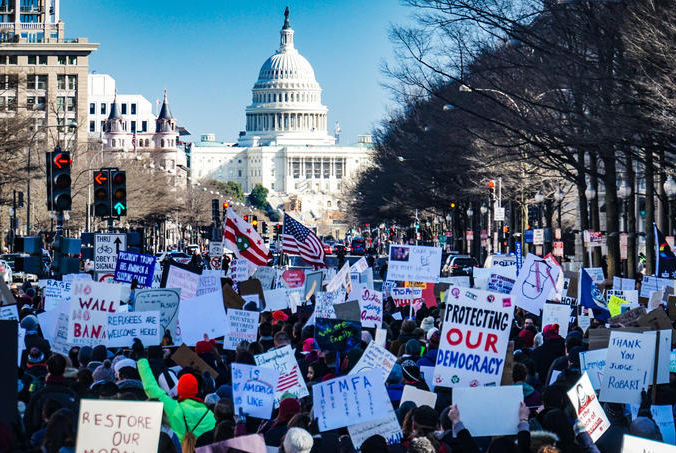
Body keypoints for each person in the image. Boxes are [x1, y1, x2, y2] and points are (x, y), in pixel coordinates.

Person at [133, 339, 216, 446]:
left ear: (179, 388)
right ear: (196, 390)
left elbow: (151, 386)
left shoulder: (172, 407)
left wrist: (141, 357)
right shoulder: (210, 414)